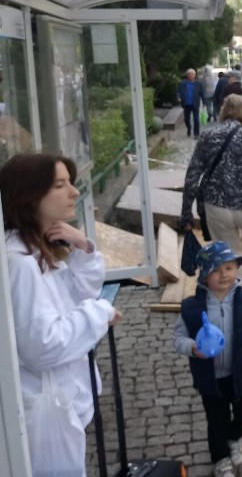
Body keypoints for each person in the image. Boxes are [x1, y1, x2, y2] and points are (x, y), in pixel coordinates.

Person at [0, 153, 121, 476]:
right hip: (44, 413)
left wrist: (81, 245)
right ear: (30, 195)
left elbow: (72, 294)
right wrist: (99, 314)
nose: (74, 192)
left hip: (54, 408)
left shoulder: (33, 251)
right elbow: (42, 345)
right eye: (60, 184)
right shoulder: (22, 263)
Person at [174, 240, 242, 477]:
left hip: (239, 373)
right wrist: (193, 347)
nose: (224, 275)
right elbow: (178, 337)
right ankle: (220, 461)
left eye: (228, 268)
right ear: (204, 276)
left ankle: (232, 438)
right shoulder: (192, 307)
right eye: (216, 270)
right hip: (210, 379)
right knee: (216, 420)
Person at [180, 95, 242, 306]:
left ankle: (235, 296)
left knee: (229, 251)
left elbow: (192, 175)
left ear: (224, 111)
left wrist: (186, 212)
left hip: (217, 205)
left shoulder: (208, 135)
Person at [177, 68, 202, 138]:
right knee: (186, 119)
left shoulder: (198, 83)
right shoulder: (182, 83)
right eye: (189, 74)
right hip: (186, 104)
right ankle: (189, 128)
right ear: (187, 75)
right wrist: (178, 97)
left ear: (195, 75)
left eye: (192, 74)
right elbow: (178, 91)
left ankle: (196, 134)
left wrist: (205, 102)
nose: (191, 75)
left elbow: (201, 93)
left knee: (196, 119)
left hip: (195, 103)